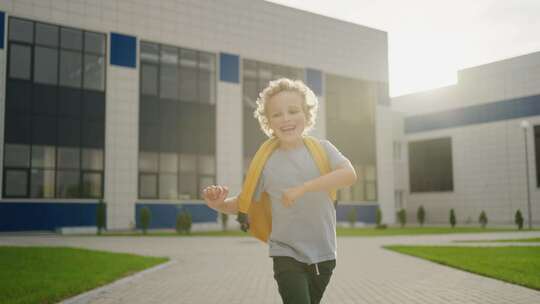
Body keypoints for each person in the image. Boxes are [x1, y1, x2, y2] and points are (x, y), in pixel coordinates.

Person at [202, 78, 357, 304]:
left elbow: (349, 175)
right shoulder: (266, 163)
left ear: (307, 114)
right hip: (286, 252)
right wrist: (218, 204)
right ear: (268, 122)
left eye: (293, 111)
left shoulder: (323, 149)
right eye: (277, 114)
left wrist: (303, 188)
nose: (286, 119)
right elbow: (244, 202)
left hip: (324, 253)